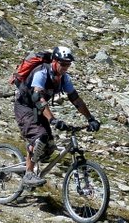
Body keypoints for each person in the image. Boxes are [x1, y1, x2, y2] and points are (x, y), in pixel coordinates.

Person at [14, 46, 101, 187]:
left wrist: (90, 118)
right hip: (25, 107)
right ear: (54, 61)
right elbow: (37, 97)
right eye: (63, 64)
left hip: (38, 110)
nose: (65, 67)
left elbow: (75, 99)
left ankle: (31, 164)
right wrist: (52, 119)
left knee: (49, 147)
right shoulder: (42, 72)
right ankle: (28, 174)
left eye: (68, 64)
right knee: (39, 138)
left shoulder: (63, 78)